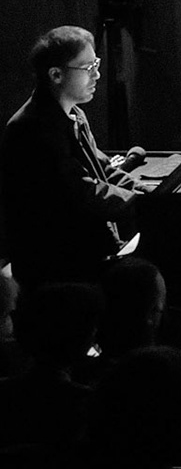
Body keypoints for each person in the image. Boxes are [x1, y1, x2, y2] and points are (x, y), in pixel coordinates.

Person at [0, 26, 134, 287]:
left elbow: (102, 169)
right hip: (58, 270)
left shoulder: (74, 113)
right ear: (56, 74)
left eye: (96, 63)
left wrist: (151, 192)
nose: (97, 74)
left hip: (80, 253)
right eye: (87, 68)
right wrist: (141, 204)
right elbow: (80, 192)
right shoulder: (31, 128)